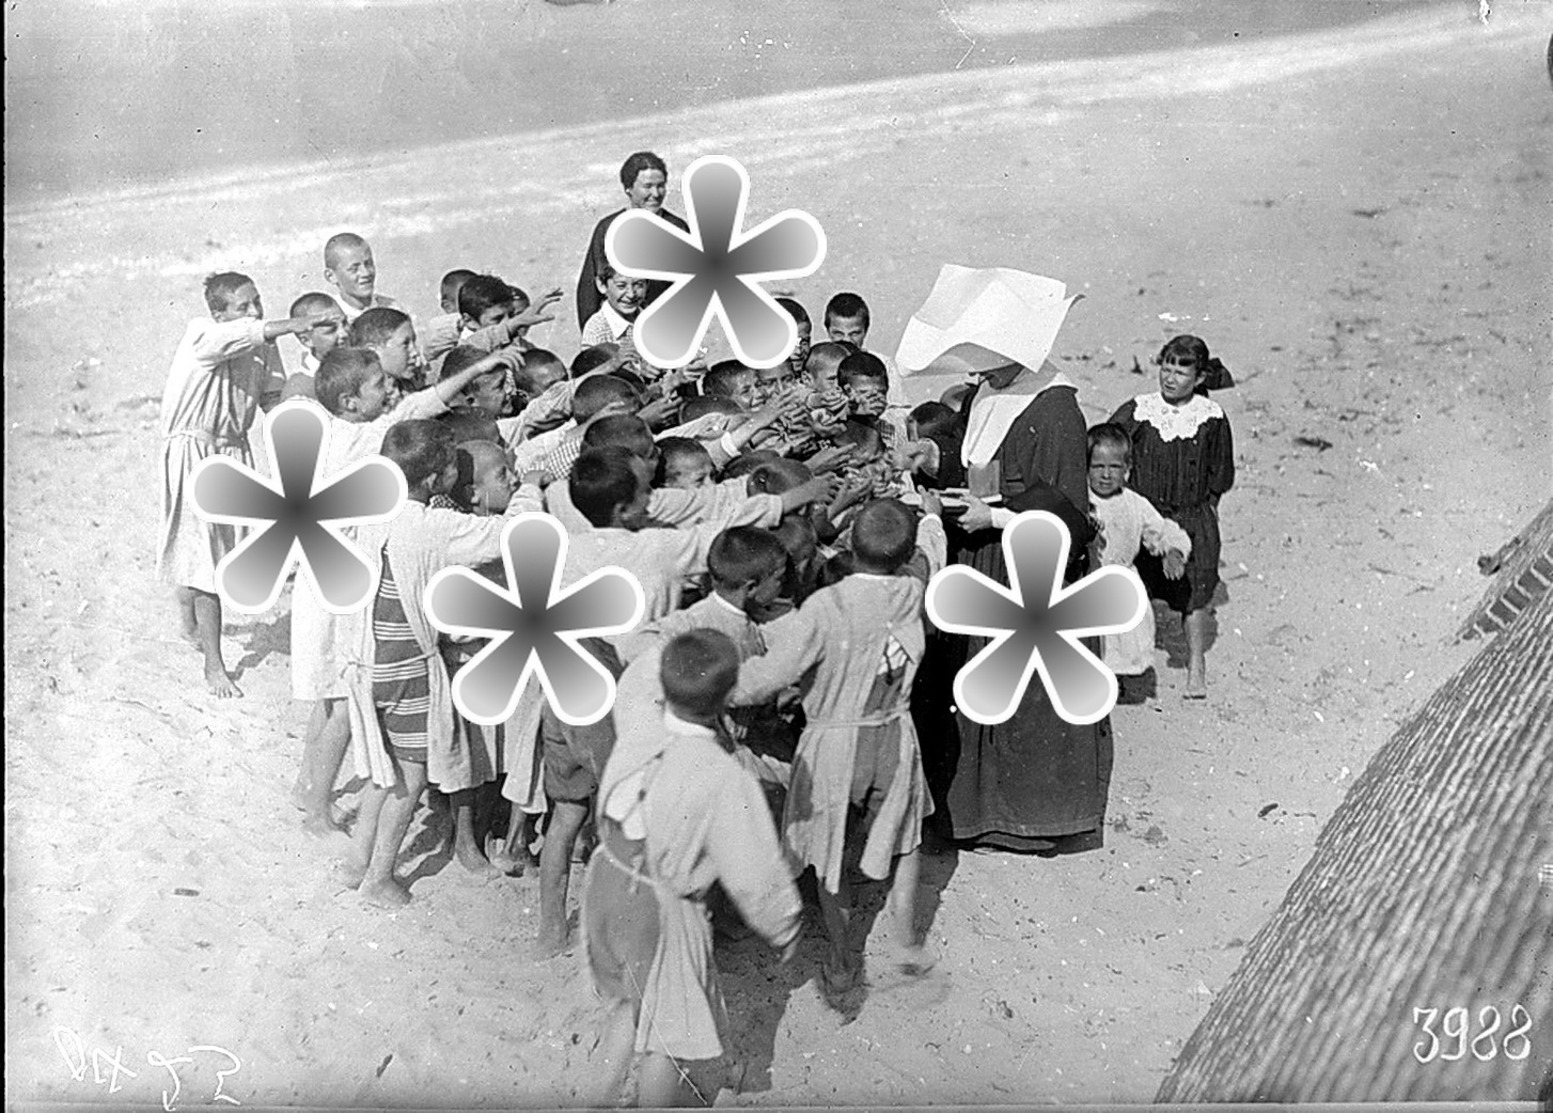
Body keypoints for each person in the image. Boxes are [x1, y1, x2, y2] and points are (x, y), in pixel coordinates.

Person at [896, 265, 1106, 854]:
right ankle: (971, 814)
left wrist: (997, 518)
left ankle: (1028, 821)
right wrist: (934, 459)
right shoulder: (992, 388)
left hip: (1026, 570)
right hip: (982, 556)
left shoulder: (1056, 408)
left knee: (1022, 694)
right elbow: (979, 463)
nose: (978, 370)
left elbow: (1068, 510)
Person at [290, 345, 513, 835]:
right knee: (344, 709)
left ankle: (310, 789)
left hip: (342, 573)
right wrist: (473, 370)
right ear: (350, 401)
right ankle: (315, 808)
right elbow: (416, 409)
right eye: (378, 386)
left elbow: (412, 409)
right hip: (345, 583)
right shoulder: (359, 439)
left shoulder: (341, 431)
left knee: (334, 701)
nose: (390, 391)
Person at [727, 498, 947, 994]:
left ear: (849, 543)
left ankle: (844, 957)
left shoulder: (827, 606)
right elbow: (932, 555)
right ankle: (907, 939)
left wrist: (725, 685)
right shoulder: (913, 591)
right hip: (894, 733)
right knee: (906, 840)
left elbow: (774, 675)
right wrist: (930, 519)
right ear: (905, 551)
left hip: (833, 741)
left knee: (828, 855)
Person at [583, 630, 802, 1108]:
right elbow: (755, 874)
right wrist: (783, 925)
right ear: (727, 698)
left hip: (606, 880)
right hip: (661, 912)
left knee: (628, 1001)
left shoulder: (639, 726)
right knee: (670, 1032)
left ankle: (592, 1101)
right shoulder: (723, 776)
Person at [338, 421, 535, 905]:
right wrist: (529, 488)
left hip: (365, 659)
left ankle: (356, 859)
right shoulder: (435, 527)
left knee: (381, 772)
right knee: (411, 776)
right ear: (436, 481)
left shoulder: (371, 512)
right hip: (408, 668)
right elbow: (507, 535)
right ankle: (380, 875)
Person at [157, 272, 319, 697]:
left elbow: (273, 403)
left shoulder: (266, 346)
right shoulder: (202, 333)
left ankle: (189, 614)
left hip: (233, 450)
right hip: (193, 450)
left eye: (257, 302)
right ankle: (215, 665)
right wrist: (291, 324)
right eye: (243, 306)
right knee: (210, 563)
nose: (254, 312)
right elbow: (242, 335)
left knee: (219, 550)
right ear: (219, 313)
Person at [1108, 335, 1235, 698]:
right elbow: (1107, 442)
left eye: (1182, 370)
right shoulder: (1140, 411)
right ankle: (1124, 666)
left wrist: (1203, 515)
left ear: (1198, 378)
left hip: (1193, 516)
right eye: (1166, 367)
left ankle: (1196, 664)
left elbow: (1220, 474)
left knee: (1194, 595)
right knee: (1133, 591)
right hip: (1146, 516)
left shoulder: (1211, 419)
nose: (1171, 377)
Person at [1086, 423, 1192, 703]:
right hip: (1088, 579)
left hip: (1120, 580)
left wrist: (1173, 551)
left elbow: (1163, 529)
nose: (1106, 475)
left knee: (1122, 638)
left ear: (1127, 470)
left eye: (1114, 467)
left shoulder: (1135, 503)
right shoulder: (1082, 500)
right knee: (1090, 636)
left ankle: (1116, 680)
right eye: (1098, 467)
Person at [575, 151, 690, 330]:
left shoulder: (677, 228)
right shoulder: (608, 228)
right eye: (648, 186)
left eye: (661, 186)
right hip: (616, 330)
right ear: (628, 188)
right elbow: (589, 290)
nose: (656, 193)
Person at [279, 292, 346, 402]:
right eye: (331, 331)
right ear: (306, 340)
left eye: (345, 323)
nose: (344, 333)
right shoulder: (300, 392)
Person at [323, 233, 399, 322]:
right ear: (331, 276)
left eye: (369, 264)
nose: (366, 273)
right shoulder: (329, 320)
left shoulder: (393, 310)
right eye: (354, 269)